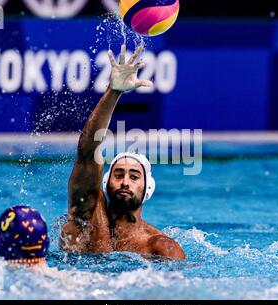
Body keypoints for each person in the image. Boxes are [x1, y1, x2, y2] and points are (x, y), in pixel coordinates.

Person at [60, 43, 185, 260]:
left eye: (134, 176)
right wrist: (114, 91)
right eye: (118, 175)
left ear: (147, 189)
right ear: (106, 183)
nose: (125, 182)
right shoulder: (85, 219)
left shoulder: (159, 247)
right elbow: (87, 151)